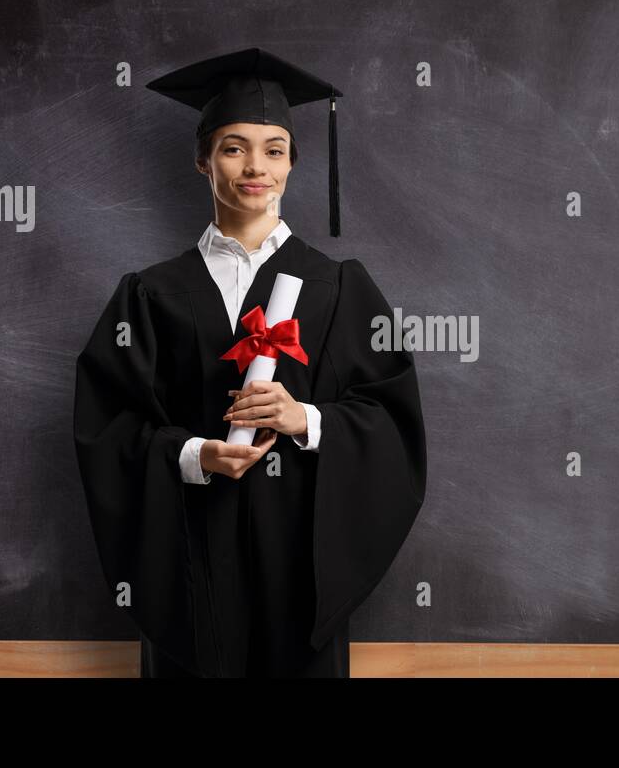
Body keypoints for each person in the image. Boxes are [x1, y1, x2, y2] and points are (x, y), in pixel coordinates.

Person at [72, 48, 428, 677]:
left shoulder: (339, 287)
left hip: (300, 559)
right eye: (233, 148)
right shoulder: (150, 293)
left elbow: (392, 422)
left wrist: (307, 419)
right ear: (202, 159)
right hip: (190, 561)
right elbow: (109, 428)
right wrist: (194, 454)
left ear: (292, 163)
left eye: (274, 148)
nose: (254, 166)